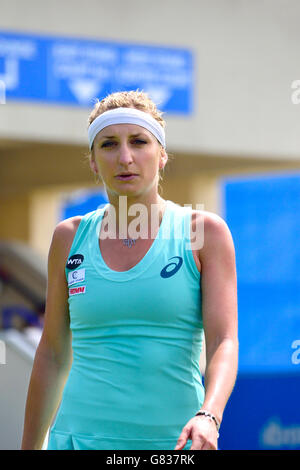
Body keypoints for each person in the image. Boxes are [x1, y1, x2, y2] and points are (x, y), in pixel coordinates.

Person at [21, 90, 238, 450]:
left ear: (162, 155)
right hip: (77, 440)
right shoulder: (68, 237)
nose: (125, 158)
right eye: (108, 145)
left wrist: (209, 415)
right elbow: (53, 353)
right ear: (92, 161)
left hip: (175, 444)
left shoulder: (204, 232)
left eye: (139, 142)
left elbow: (223, 341)